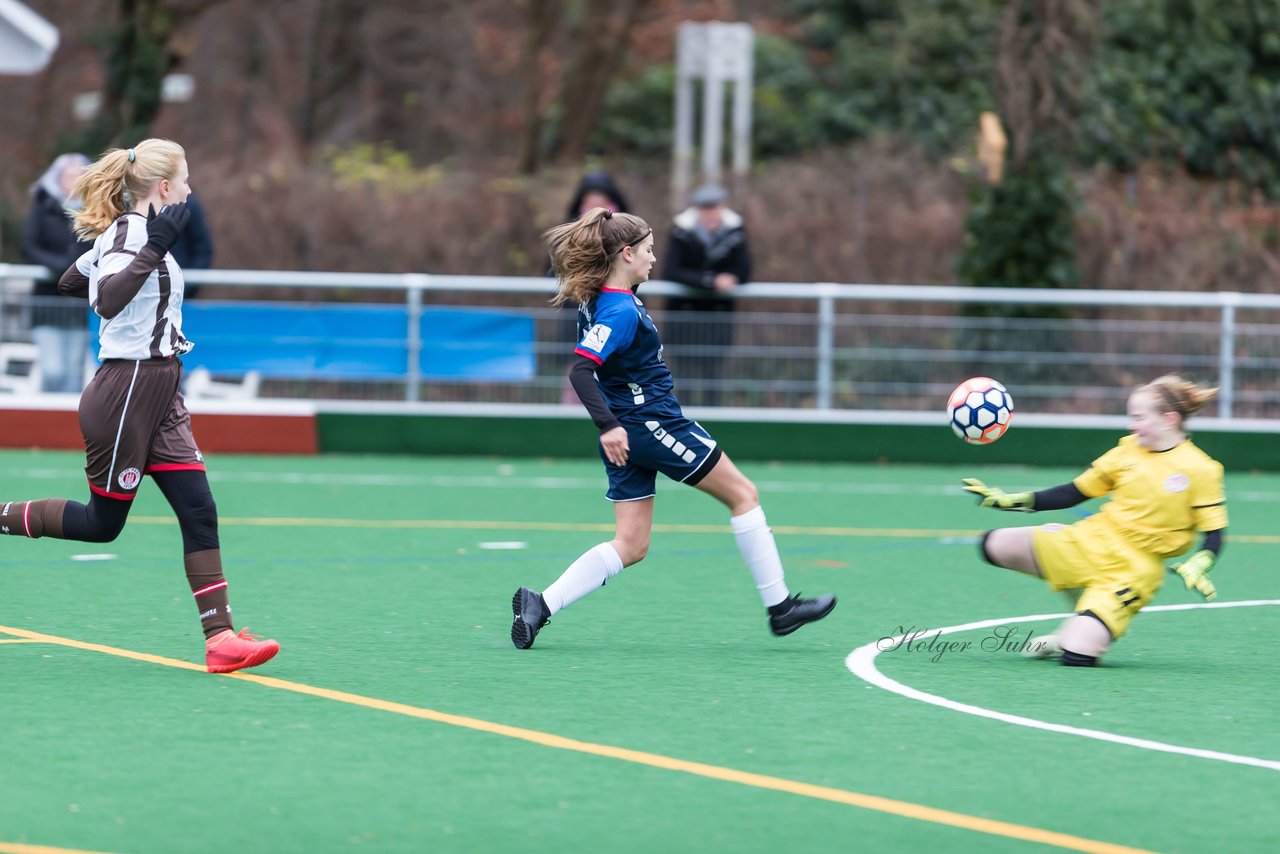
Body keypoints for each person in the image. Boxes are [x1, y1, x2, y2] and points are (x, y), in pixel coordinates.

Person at [0, 139, 279, 674]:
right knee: (103, 524)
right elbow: (103, 299)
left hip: (160, 389)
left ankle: (220, 639)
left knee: (199, 508)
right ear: (165, 188)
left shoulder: (126, 236)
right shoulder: (134, 234)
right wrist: (150, 250)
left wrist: (136, 253)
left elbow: (71, 280)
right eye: (187, 180)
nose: (191, 190)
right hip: (127, 390)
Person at [510, 207, 836, 649]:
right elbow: (581, 372)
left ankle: (540, 604)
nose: (653, 259)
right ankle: (781, 609)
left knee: (631, 544)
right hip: (651, 426)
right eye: (647, 250)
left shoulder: (598, 299)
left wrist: (613, 426)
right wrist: (608, 426)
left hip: (630, 430)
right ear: (625, 254)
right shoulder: (619, 310)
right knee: (744, 496)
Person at [961, 375, 1227, 667]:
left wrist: (1200, 562)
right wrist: (1010, 501)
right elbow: (1074, 492)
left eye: (1139, 418)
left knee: (1077, 655)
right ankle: (1081, 608)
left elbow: (1214, 533)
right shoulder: (1127, 451)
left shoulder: (1202, 469)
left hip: (1133, 572)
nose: (1131, 425)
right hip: (1092, 540)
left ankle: (1070, 633)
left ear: (1169, 419)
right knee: (993, 545)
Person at [661, 183, 751, 406]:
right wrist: (710, 282)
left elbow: (744, 269)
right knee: (685, 376)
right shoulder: (681, 231)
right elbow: (671, 270)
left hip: (718, 317)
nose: (710, 215)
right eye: (705, 209)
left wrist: (732, 278)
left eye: (714, 208)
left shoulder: (735, 232)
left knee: (715, 377)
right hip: (684, 318)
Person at [556, 171, 631, 404]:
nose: (594, 205)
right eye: (590, 201)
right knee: (581, 369)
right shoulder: (569, 229)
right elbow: (555, 269)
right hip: (578, 313)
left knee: (613, 371)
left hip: (613, 312)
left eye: (599, 200)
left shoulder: (626, 229)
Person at [21, 153, 94, 392]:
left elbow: (96, 245)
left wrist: (75, 267)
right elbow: (29, 245)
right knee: (53, 369)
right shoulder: (43, 204)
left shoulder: (94, 209)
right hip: (47, 301)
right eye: (69, 175)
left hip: (79, 303)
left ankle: (70, 425)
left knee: (74, 371)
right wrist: (59, 266)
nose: (74, 181)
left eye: (79, 175)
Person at [167, 191, 214, 298]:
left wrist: (186, 287)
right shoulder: (139, 205)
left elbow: (203, 251)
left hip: (182, 296)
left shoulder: (190, 204)